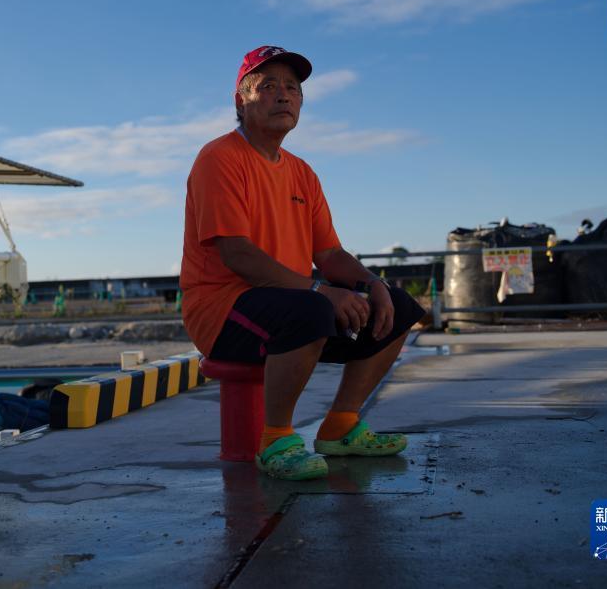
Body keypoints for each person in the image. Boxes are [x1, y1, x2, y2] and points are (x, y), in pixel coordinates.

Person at [180, 45, 424, 481]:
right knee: (313, 308)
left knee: (399, 306)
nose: (283, 96)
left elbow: (329, 254)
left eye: (292, 88)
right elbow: (235, 253)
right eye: (268, 85)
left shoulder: (302, 173)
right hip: (222, 309)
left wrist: (372, 282)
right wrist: (318, 290)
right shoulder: (219, 158)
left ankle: (341, 426)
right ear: (241, 100)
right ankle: (276, 439)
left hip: (288, 305)